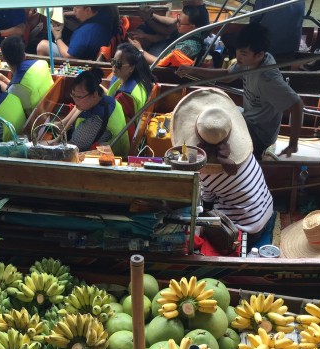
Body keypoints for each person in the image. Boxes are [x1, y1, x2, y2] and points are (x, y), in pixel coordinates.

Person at [176, 23, 304, 159]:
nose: (238, 57)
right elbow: (226, 76)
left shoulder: (268, 79)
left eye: (243, 54)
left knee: (213, 135)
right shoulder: (249, 61)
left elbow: (297, 104)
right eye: (238, 51)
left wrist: (293, 143)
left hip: (259, 134)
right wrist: (192, 70)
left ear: (259, 55)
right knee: (210, 114)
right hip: (247, 117)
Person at [171, 88, 273, 245]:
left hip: (245, 229)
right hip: (265, 211)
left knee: (193, 222)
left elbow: (207, 205)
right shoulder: (241, 154)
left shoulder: (206, 174)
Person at [62, 68, 129, 157]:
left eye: (79, 97)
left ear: (94, 94)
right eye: (73, 95)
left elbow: (71, 150)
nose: (75, 100)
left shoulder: (94, 121)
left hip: (107, 161)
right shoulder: (109, 100)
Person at [0, 36, 53, 115]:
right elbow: (22, 86)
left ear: (4, 59)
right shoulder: (41, 63)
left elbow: (19, 89)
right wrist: (1, 76)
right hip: (50, 105)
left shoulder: (17, 87)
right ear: (24, 55)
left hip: (35, 119)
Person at [128, 5, 208, 66]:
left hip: (160, 67)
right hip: (163, 51)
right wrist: (144, 36)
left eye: (180, 23)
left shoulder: (187, 47)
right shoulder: (186, 31)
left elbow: (161, 62)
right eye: (177, 20)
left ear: (192, 27)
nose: (177, 24)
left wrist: (140, 50)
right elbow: (165, 37)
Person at [107, 43, 155, 133]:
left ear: (131, 68)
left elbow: (113, 119)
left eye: (119, 64)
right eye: (113, 62)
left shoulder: (124, 97)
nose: (114, 67)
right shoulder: (140, 80)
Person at [36, 6, 113, 60]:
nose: (74, 9)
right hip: (89, 52)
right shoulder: (103, 16)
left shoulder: (84, 32)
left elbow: (69, 56)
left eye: (76, 7)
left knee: (42, 45)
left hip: (77, 62)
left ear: (88, 10)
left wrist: (58, 37)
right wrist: (65, 14)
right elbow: (81, 10)